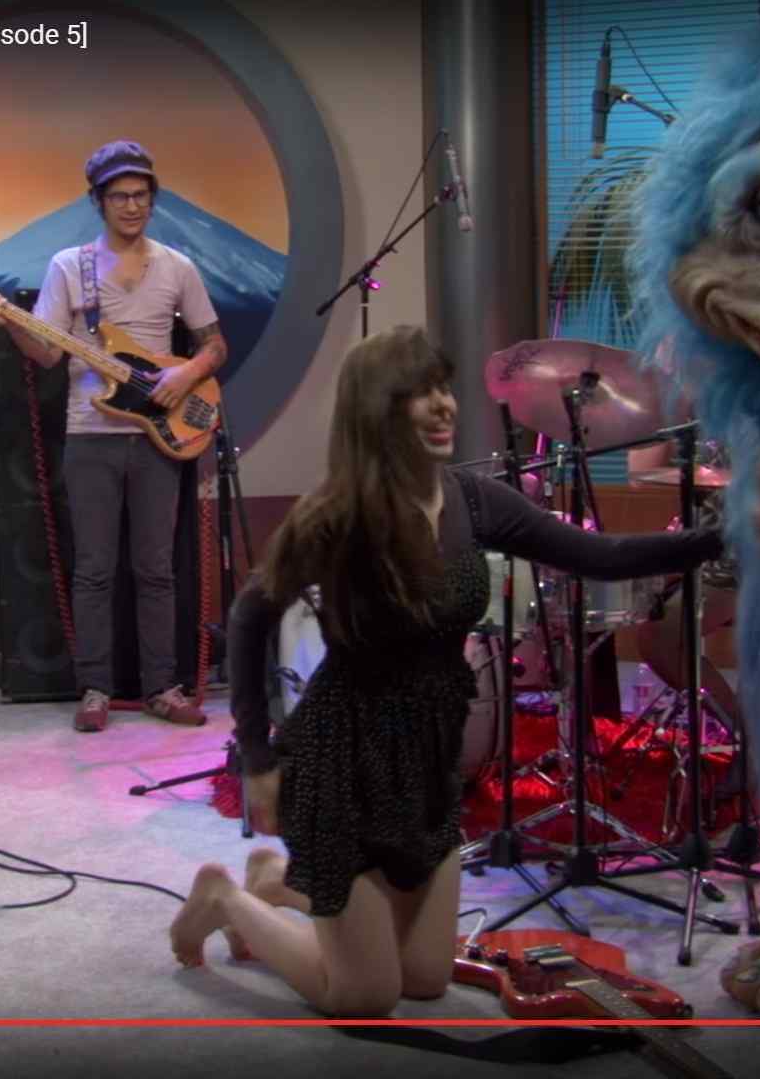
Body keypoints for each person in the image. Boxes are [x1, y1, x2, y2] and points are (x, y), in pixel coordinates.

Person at [166, 325, 724, 1016]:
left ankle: (277, 878)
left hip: (429, 768)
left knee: (426, 977)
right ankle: (224, 897)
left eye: (442, 388)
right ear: (377, 411)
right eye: (417, 393)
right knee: (364, 995)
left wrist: (717, 539)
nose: (442, 405)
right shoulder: (336, 514)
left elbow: (597, 555)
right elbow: (250, 620)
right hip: (340, 767)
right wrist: (256, 757)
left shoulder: (474, 499)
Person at [0, 140, 221, 731]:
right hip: (90, 435)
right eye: (119, 197)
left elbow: (215, 345)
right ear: (98, 201)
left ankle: (162, 686)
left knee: (156, 568)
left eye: (140, 195)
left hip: (160, 436)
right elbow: (47, 354)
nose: (131, 206)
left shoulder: (178, 267)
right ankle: (95, 689)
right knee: (94, 569)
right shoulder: (70, 267)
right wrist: (7, 323)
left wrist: (184, 374)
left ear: (153, 200)